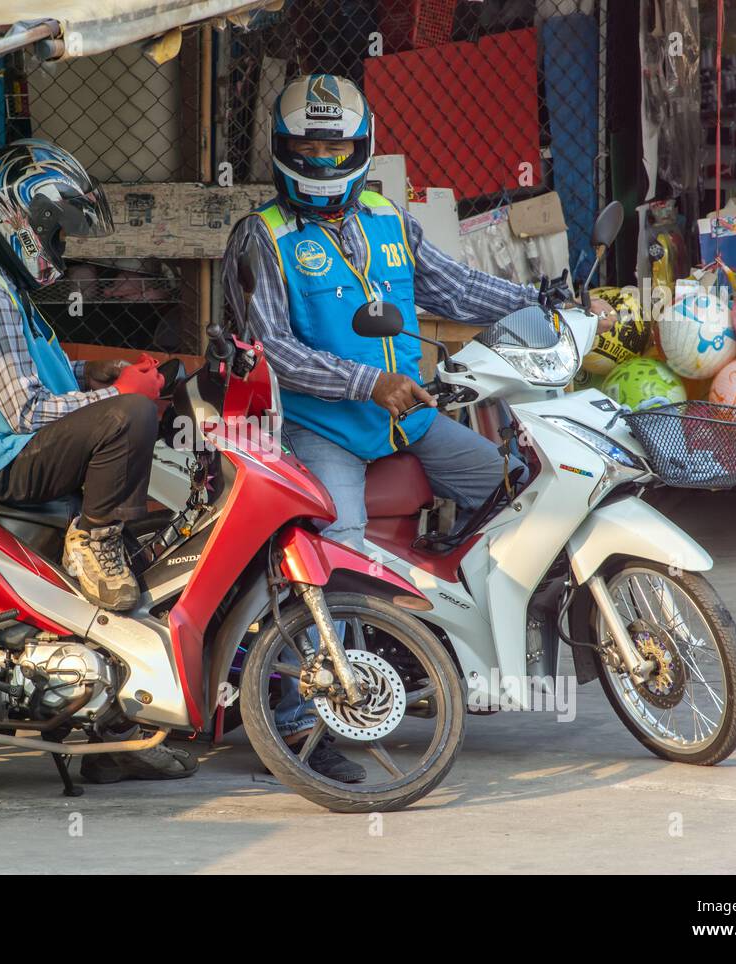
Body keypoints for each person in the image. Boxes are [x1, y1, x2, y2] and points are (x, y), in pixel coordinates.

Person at [222, 74, 616, 783]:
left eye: (333, 145)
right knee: (332, 554)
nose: (319, 158)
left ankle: (441, 638)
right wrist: (367, 382)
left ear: (361, 147)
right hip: (324, 427)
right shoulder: (263, 236)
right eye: (307, 146)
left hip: (408, 420)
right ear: (283, 150)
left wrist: (545, 304)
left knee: (514, 483)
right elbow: (269, 346)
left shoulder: (386, 218)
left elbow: (455, 287)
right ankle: (306, 717)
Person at [0, 138, 194, 783]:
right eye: (55, 230)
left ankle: (115, 736)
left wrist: (92, 370)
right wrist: (116, 397)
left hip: (7, 444)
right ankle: (92, 542)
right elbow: (23, 411)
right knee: (132, 419)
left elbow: (30, 377)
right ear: (21, 220)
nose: (61, 245)